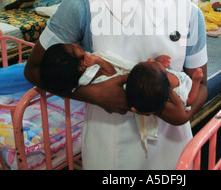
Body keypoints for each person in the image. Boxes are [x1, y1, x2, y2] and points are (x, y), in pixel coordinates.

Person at [24, 0, 208, 169]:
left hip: (173, 149)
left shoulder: (189, 12)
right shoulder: (81, 6)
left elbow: (201, 81)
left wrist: (186, 114)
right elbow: (34, 70)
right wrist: (91, 94)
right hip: (109, 149)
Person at [39, 43, 202, 153]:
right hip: (139, 89)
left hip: (143, 88)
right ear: (81, 66)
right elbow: (112, 73)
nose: (76, 44)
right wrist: (99, 60)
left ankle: (174, 83)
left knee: (175, 88)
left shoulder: (82, 76)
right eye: (74, 48)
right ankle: (179, 85)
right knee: (176, 87)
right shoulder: (89, 75)